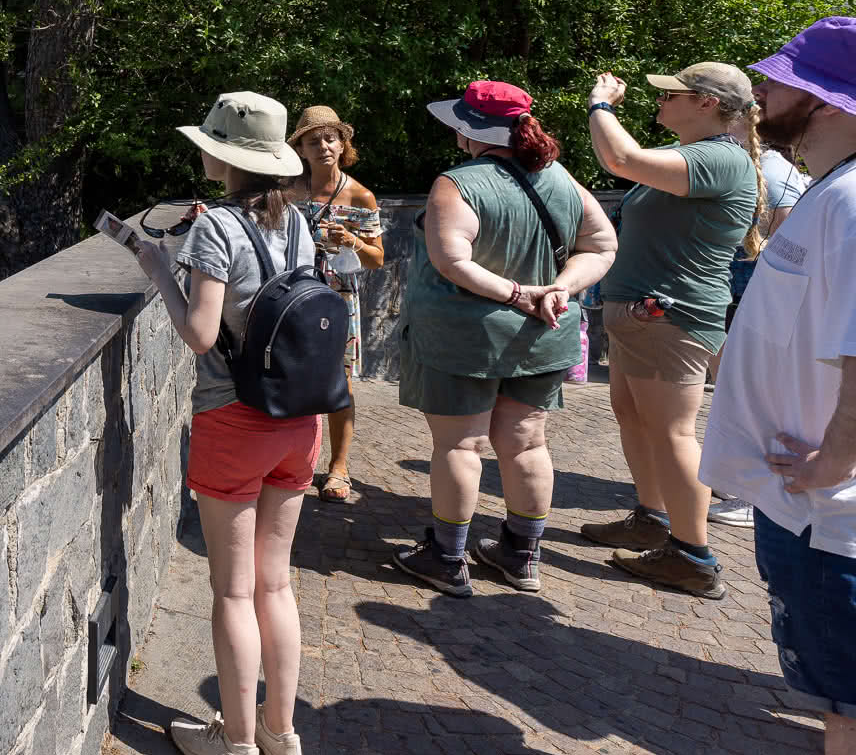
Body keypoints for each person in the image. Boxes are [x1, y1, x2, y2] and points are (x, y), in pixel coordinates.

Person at [697, 16, 856, 755]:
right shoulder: (834, 190)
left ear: (829, 100)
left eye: (780, 80)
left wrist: (835, 459)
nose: (762, 91)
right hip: (807, 506)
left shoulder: (853, 200)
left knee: (848, 707)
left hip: (827, 516)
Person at [131, 91, 315, 755]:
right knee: (276, 583)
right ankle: (282, 737)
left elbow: (202, 335)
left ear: (227, 157)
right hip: (298, 419)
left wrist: (159, 269)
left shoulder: (215, 230)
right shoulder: (297, 221)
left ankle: (237, 749)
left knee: (234, 591)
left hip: (234, 420)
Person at [391, 82, 617, 597]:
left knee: (460, 444)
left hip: (464, 339)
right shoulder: (559, 177)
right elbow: (602, 244)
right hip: (542, 336)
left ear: (470, 129)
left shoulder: (456, 184)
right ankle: (521, 554)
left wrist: (518, 294)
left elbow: (452, 261)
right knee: (527, 443)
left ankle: (447, 557)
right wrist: (560, 290)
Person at [580, 61, 762, 599]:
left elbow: (621, 158)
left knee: (673, 432)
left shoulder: (719, 158)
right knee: (635, 417)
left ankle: (693, 556)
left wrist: (600, 104)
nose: (661, 101)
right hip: (645, 315)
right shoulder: (691, 155)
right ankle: (652, 520)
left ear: (707, 103)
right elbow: (625, 164)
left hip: (672, 317)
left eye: (672, 94)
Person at [288, 106, 387, 504]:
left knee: (338, 383)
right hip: (293, 295)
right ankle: (292, 462)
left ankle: (339, 467)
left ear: (343, 144)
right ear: (301, 150)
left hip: (336, 298)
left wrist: (352, 241)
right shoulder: (288, 191)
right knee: (291, 375)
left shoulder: (360, 195)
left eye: (331, 138)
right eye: (313, 141)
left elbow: (377, 258)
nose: (323, 146)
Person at [710, 142, 810, 527]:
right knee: (740, 393)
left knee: (758, 397)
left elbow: (788, 239)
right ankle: (745, 486)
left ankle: (755, 497)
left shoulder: (774, 170)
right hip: (747, 296)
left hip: (760, 298)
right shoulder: (764, 166)